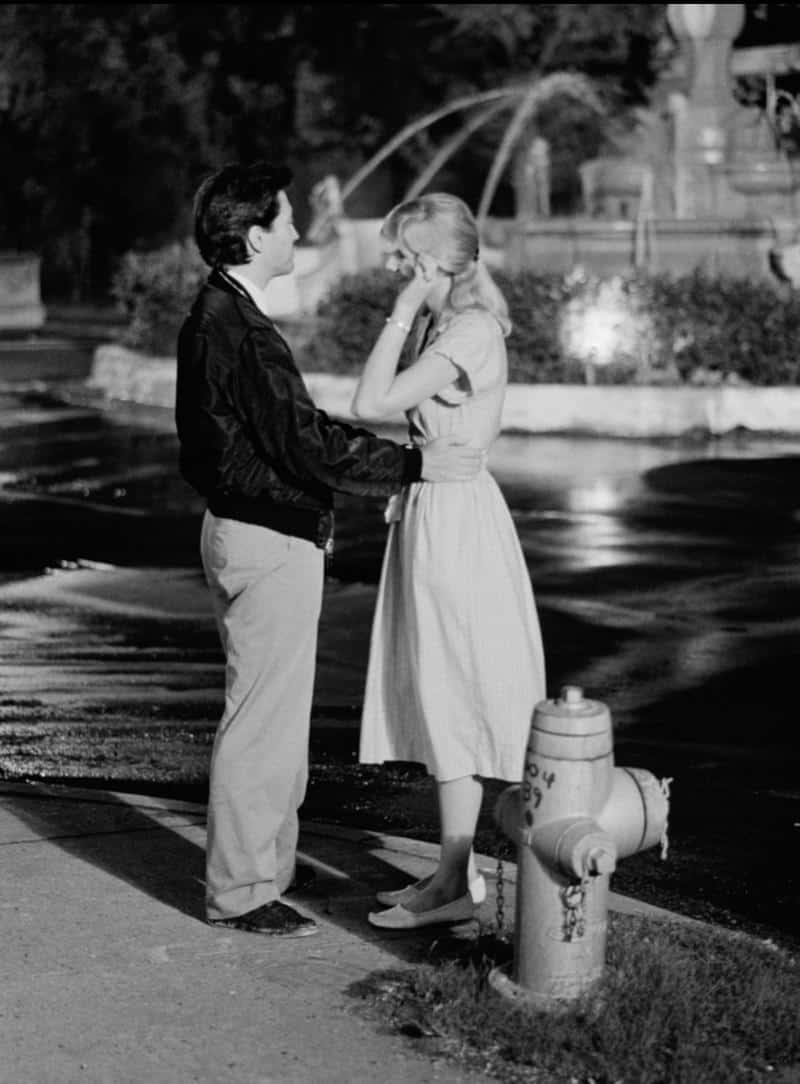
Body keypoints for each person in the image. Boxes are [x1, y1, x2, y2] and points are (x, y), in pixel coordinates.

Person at [175, 162, 484, 939]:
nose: (298, 232)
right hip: (267, 540)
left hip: (247, 528)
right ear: (252, 237)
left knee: (274, 719)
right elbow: (305, 442)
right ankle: (242, 889)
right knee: (261, 726)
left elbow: (255, 441)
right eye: (284, 221)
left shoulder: (219, 314)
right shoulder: (238, 330)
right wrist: (408, 464)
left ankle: (267, 864)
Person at [352, 193, 547, 930]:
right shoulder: (450, 322)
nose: (396, 268)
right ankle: (449, 876)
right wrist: (414, 303)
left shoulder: (467, 329)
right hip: (433, 513)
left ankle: (453, 885)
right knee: (440, 689)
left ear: (436, 261)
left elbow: (373, 400)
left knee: (454, 693)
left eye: (405, 258)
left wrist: (403, 303)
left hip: (457, 521)